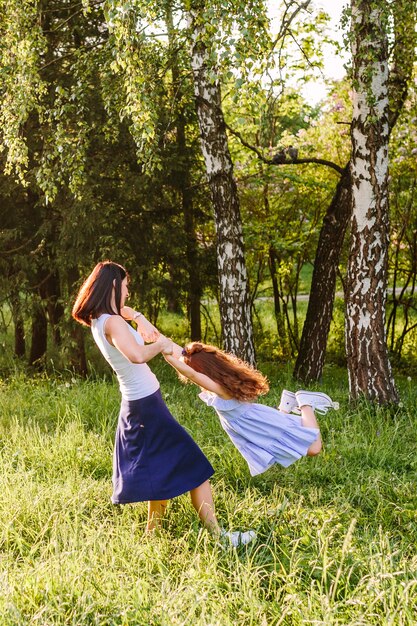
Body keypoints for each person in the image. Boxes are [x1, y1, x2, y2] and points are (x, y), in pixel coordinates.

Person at [71, 261, 255, 546]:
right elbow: (136, 355)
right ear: (114, 286)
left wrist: (141, 319)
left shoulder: (103, 319)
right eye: (126, 286)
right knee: (197, 468)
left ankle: (152, 538)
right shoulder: (113, 322)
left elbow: (128, 316)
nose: (128, 293)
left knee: (160, 472)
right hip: (145, 407)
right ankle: (219, 537)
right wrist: (163, 345)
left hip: (141, 404)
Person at [164, 342, 339, 477]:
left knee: (313, 448)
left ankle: (305, 402)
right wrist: (156, 338)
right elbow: (185, 354)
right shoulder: (220, 382)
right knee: (295, 444)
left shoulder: (220, 388)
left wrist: (167, 357)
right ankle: (286, 405)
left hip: (258, 422)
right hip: (255, 424)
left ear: (203, 371)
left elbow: (192, 374)